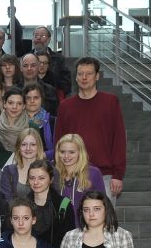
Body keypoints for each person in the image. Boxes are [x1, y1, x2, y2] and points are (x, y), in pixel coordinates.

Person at [54, 57, 126, 203]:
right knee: (71, 223)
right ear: (76, 77)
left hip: (105, 174)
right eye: (80, 74)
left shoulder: (110, 102)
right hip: (71, 174)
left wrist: (117, 175)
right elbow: (59, 142)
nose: (84, 77)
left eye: (89, 73)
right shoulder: (65, 106)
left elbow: (119, 139)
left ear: (97, 76)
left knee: (105, 223)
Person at [54, 134, 106, 227]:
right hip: (60, 231)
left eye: (71, 152)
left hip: (86, 230)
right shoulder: (54, 174)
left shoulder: (93, 173)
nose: (66, 156)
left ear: (80, 152)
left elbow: (103, 204)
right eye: (62, 152)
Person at [0, 87, 31, 166]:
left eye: (19, 103)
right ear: (4, 104)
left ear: (24, 106)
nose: (14, 107)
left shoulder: (32, 128)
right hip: (2, 175)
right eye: (10, 103)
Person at [0, 128, 45, 204]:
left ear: (39, 147)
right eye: (24, 144)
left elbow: (52, 201)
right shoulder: (8, 171)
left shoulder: (50, 171)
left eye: (33, 144)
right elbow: (6, 201)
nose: (28, 148)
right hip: (15, 214)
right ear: (18, 147)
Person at [31, 26, 71, 95]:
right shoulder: (25, 58)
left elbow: (66, 82)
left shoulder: (59, 59)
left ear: (49, 39)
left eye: (42, 36)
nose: (38, 38)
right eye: (36, 35)